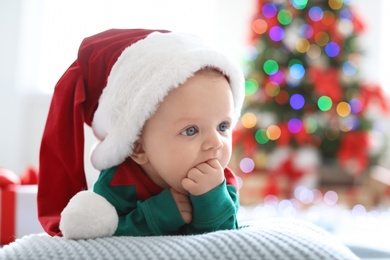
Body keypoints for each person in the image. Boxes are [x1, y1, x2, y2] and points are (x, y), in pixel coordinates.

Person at [38, 29, 245, 239]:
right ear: (137, 147)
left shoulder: (220, 181)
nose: (215, 143)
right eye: (190, 130)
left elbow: (224, 240)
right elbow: (105, 235)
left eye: (223, 126)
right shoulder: (118, 182)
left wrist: (211, 199)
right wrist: (156, 216)